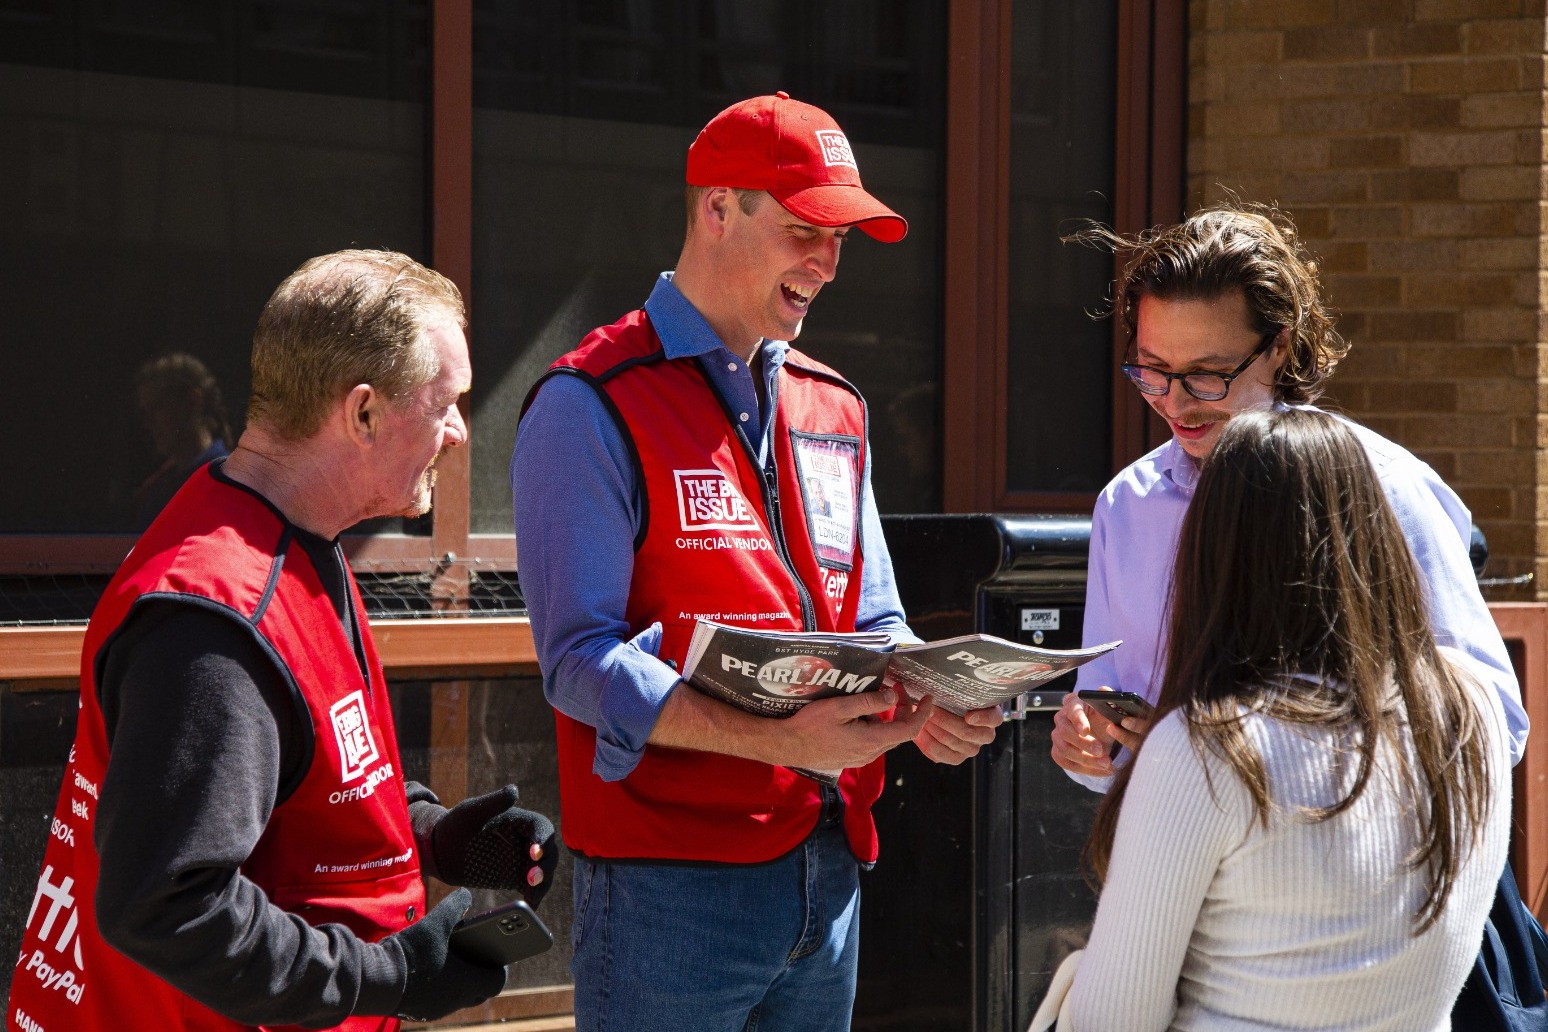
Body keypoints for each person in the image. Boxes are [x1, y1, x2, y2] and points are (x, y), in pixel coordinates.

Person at [511, 92, 1003, 1031]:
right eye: (805, 227)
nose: (826, 261)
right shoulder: (589, 403)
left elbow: (876, 623)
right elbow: (577, 664)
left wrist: (930, 700)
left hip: (832, 875)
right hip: (670, 893)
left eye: (841, 237)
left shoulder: (835, 403)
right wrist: (783, 742)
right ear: (717, 209)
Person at [11, 250, 558, 1032]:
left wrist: (433, 837)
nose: (461, 433)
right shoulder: (216, 618)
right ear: (362, 412)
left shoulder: (288, 537)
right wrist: (392, 974)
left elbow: (311, 775)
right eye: (447, 404)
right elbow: (167, 907)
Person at [1063, 408, 1511, 1030]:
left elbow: (1110, 1019)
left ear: (1212, 555)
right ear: (1377, 533)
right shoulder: (1475, 714)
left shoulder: (1207, 747)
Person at [1050, 201, 1526, 786]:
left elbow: (1493, 729)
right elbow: (1109, 713)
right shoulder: (1128, 504)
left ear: (1280, 346)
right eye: (1151, 369)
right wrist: (1091, 748)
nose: (1174, 402)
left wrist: (1223, 752)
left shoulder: (1381, 485)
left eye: (1207, 374)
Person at [127, 352, 233, 528]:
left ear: (193, 402)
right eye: (145, 413)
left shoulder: (229, 483)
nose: (149, 423)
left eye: (157, 408)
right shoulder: (155, 493)